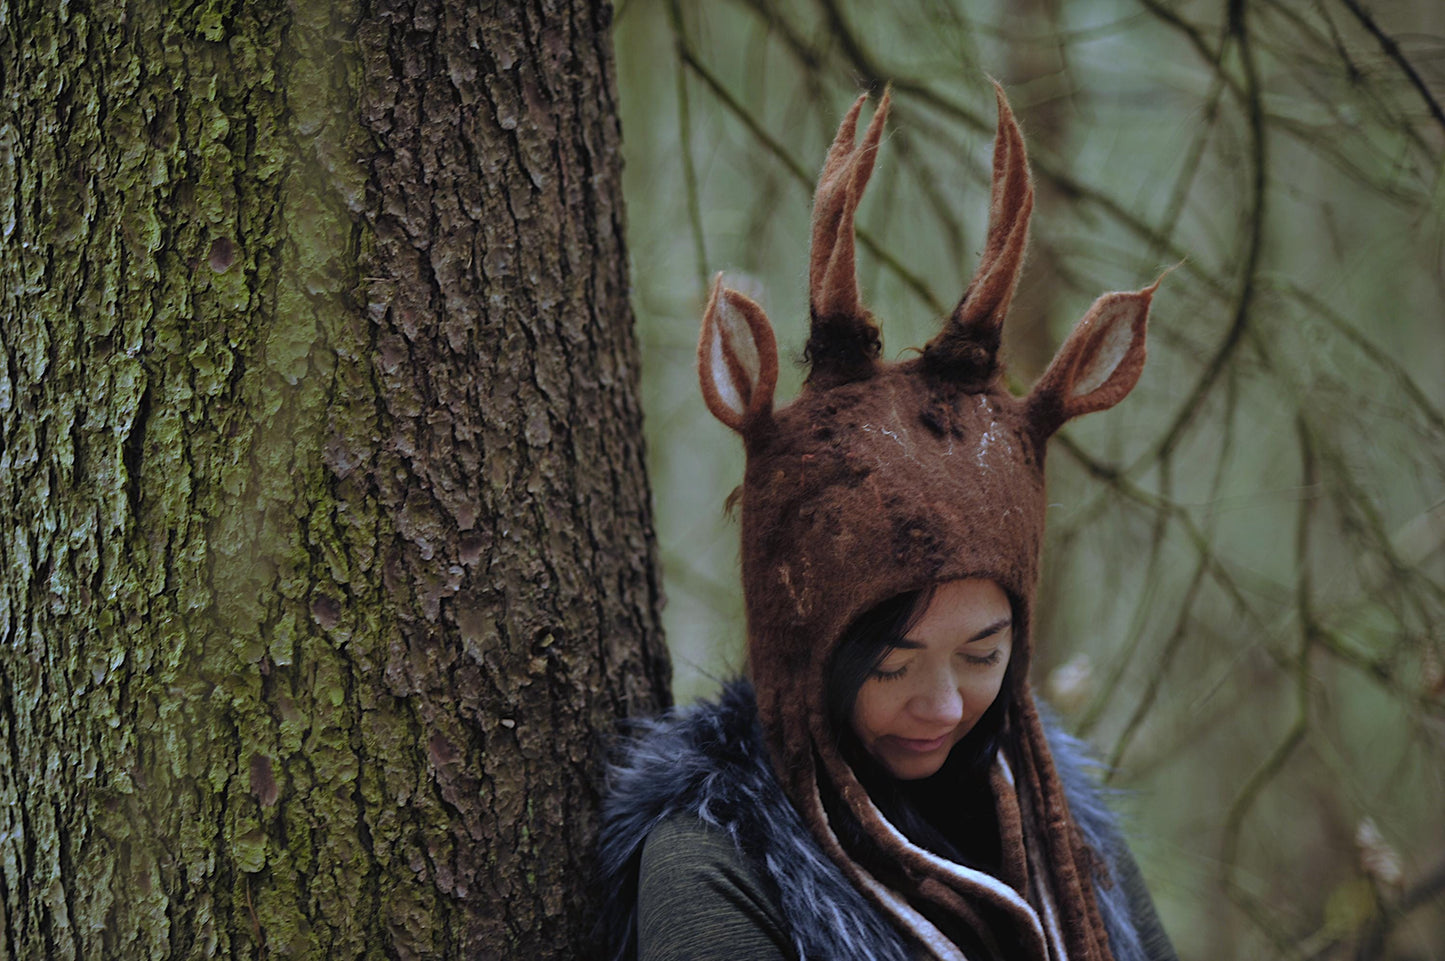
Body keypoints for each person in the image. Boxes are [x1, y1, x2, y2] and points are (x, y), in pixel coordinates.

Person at [597, 83, 1178, 961]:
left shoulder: (1061, 829)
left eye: (983, 654)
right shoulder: (716, 865)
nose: (942, 705)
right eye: (892, 662)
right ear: (804, 643)